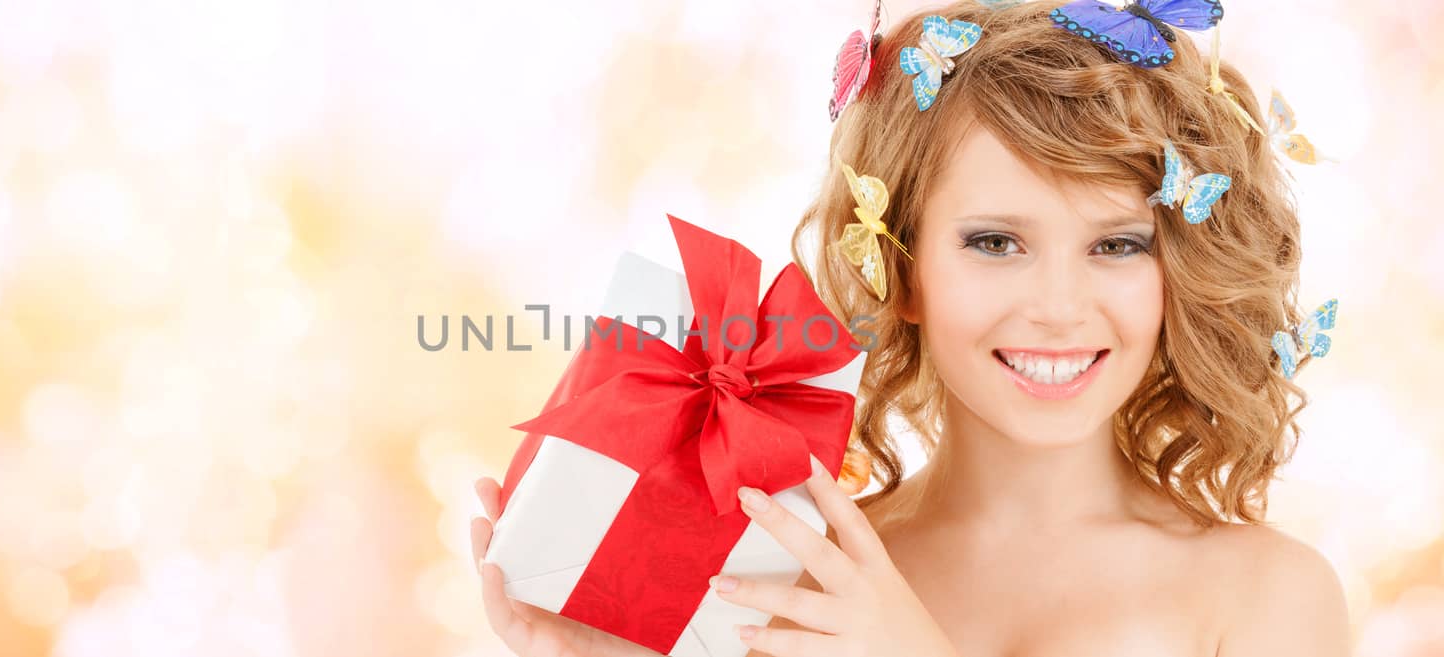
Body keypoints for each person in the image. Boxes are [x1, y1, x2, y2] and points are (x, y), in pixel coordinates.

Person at [470, 2, 1351, 656]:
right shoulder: (794, 574)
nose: (1056, 303)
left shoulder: (1269, 598)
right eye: (996, 242)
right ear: (902, 266)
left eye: (1116, 244)